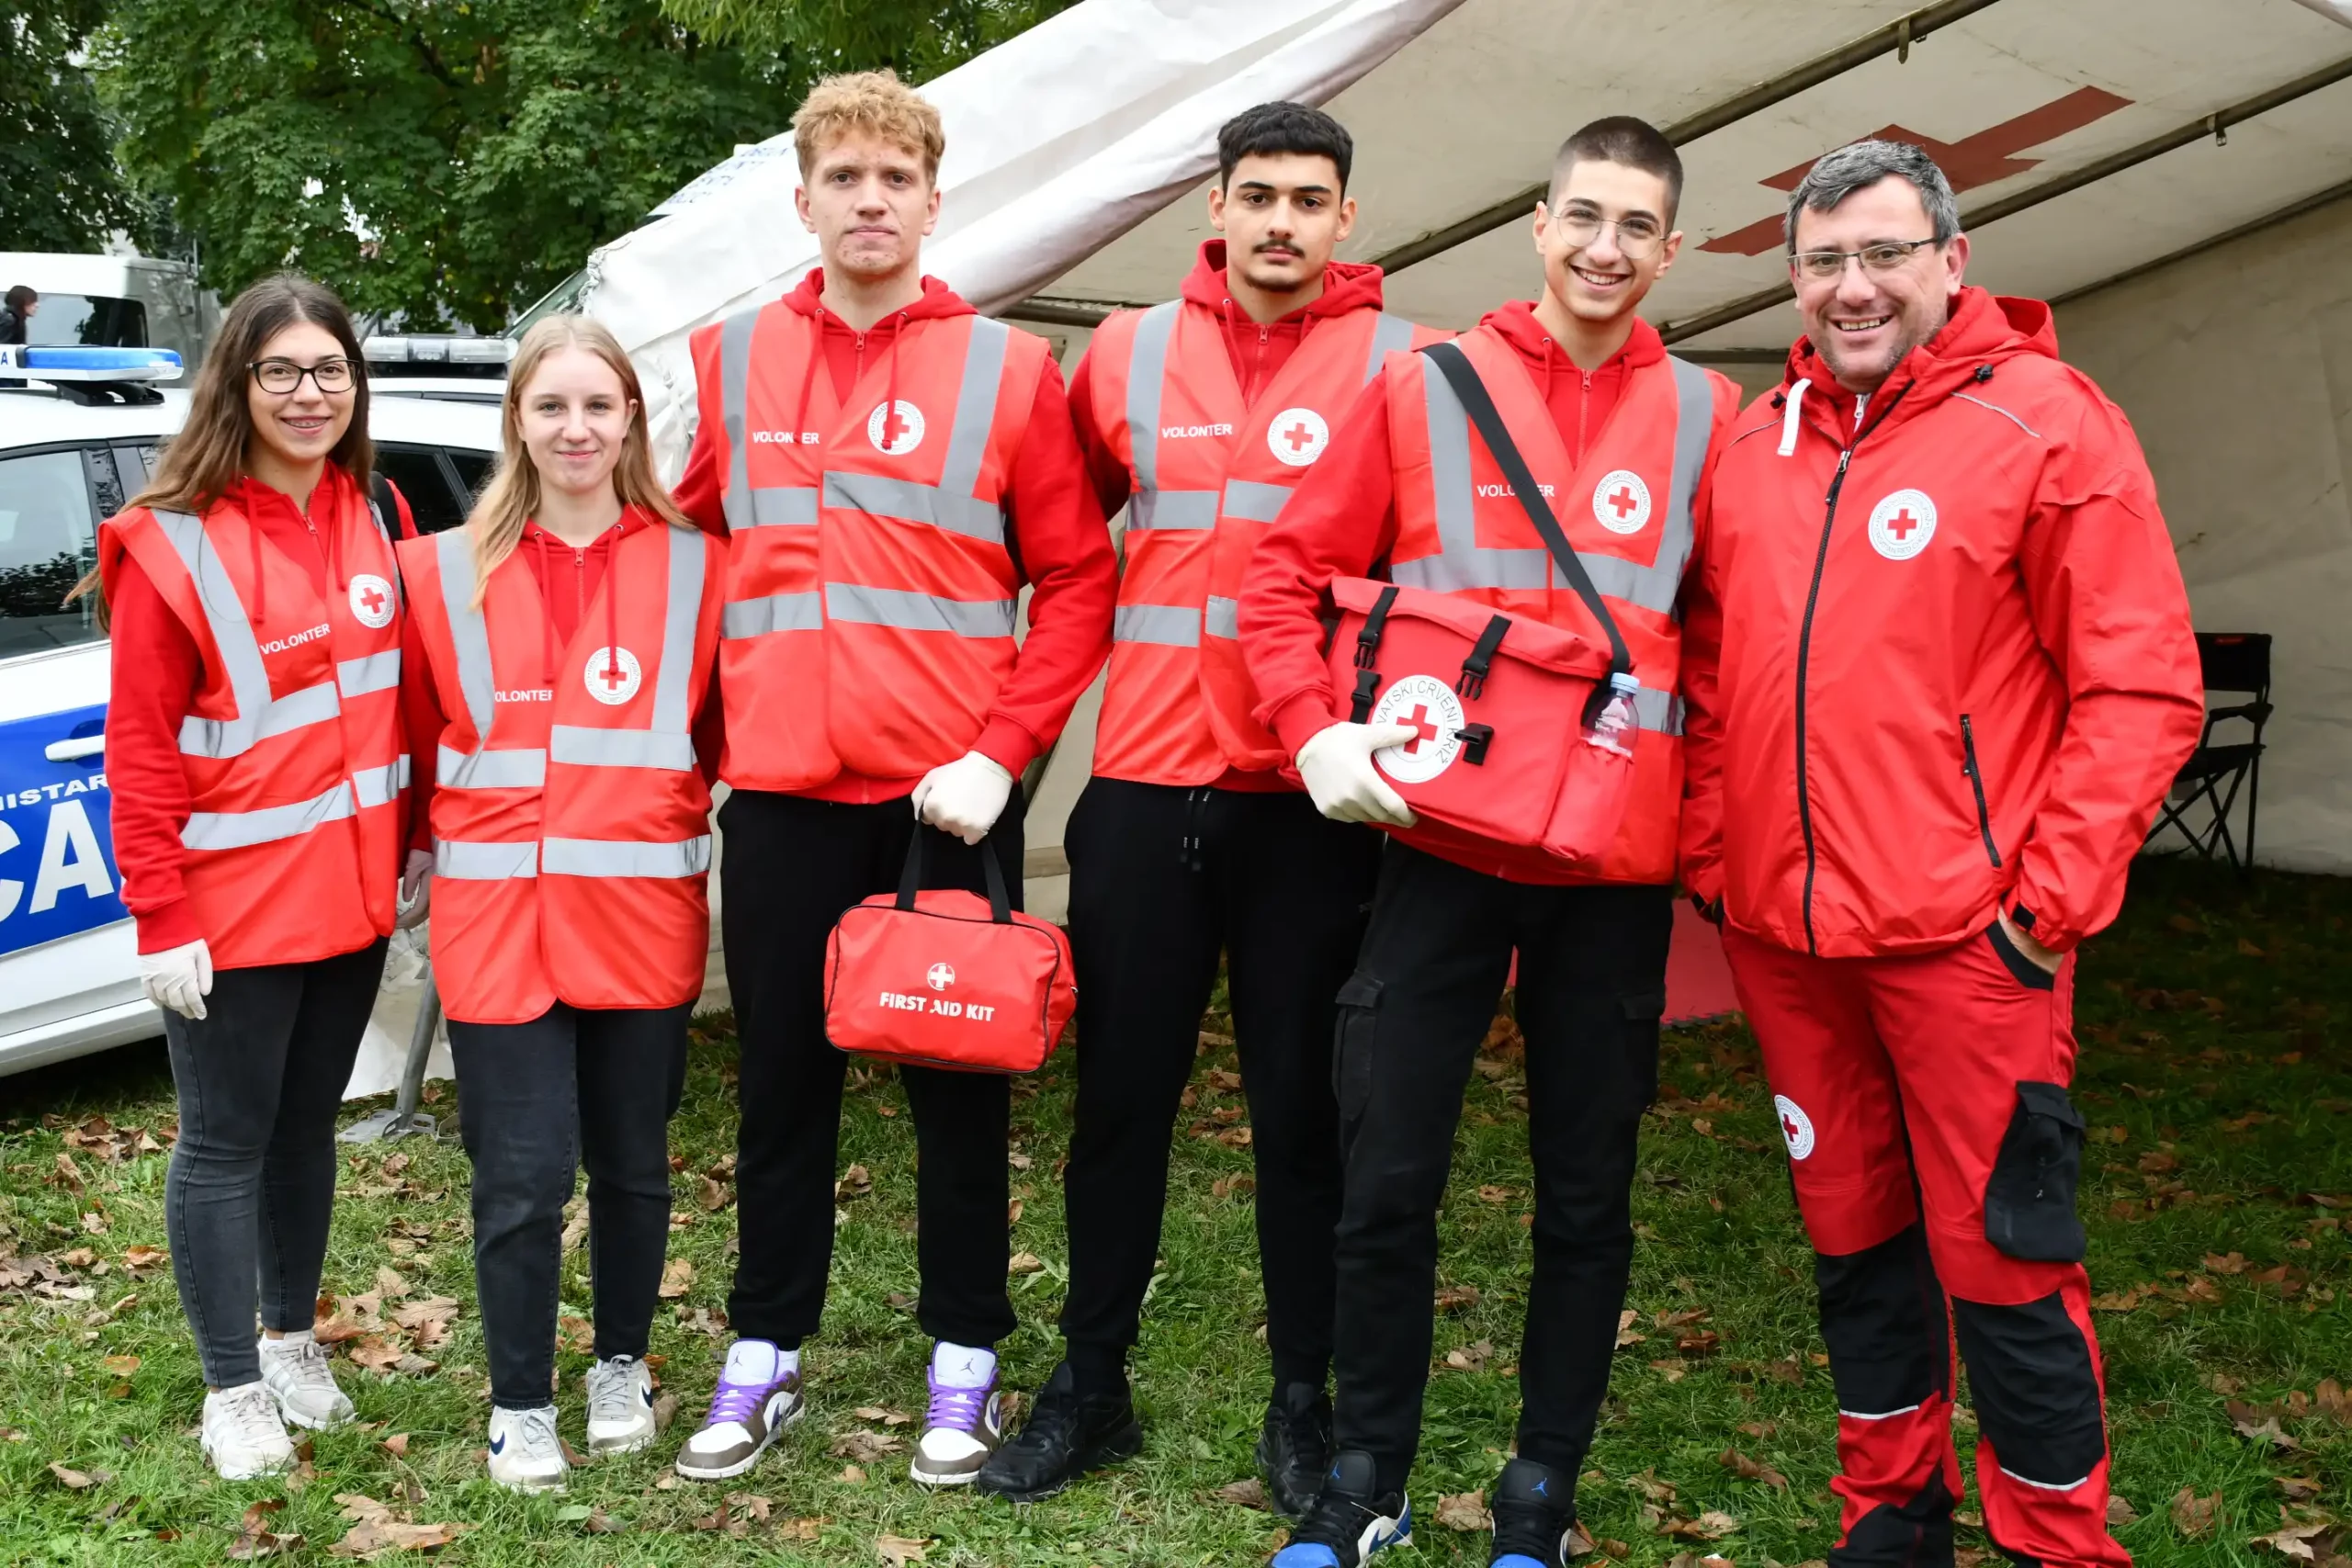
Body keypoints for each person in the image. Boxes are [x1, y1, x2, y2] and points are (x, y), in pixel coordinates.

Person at [1679, 140, 2201, 1568]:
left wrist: (2045, 909)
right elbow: (1713, 668)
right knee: (1853, 1241)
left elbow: (2142, 685)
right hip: (1787, 944)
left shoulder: (2046, 422)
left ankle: (2053, 1542)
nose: (1857, 287)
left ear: (1951, 262)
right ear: (1794, 276)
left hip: (1973, 946)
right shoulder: (1751, 441)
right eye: (1828, 260)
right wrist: (1721, 860)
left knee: (2008, 1262)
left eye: (1887, 255)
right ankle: (1893, 1512)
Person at [1238, 118, 1740, 1567]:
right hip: (1438, 849)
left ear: (1672, 248)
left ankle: (1540, 1490)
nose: (1604, 248)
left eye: (1636, 225)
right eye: (1583, 215)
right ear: (1538, 221)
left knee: (1588, 1192)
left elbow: (1733, 658)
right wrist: (1311, 732)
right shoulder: (1423, 387)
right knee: (1387, 1173)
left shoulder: (1710, 417)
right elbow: (1280, 579)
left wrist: (1697, 833)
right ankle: (1368, 1476)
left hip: (1613, 876)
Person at [974, 101, 1442, 1512]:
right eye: (1259, 195)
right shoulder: (1121, 353)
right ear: (1219, 207)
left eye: (1311, 198)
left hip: (1314, 801)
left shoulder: (1412, 363)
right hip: (1140, 790)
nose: (1283, 221)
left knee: (1306, 1115)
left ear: (1347, 217)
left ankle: (1302, 1403)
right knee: (1119, 1105)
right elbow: (1060, 543)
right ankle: (1090, 1383)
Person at [666, 70, 1117, 1489]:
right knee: (782, 1085)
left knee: (956, 1086)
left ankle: (964, 1357)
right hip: (786, 795)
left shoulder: (1007, 368)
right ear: (802, 199)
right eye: (844, 178)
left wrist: (1003, 752)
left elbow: (1080, 576)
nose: (871, 201)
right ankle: (765, 1349)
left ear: (934, 199)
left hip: (948, 802)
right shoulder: (729, 359)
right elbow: (686, 560)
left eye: (895, 179)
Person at [86, 274, 413, 1480]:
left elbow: (396, 704)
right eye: (281, 369)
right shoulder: (172, 537)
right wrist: (158, 911)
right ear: (238, 380)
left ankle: (290, 1339)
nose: (308, 391)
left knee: (303, 1134)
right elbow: (141, 747)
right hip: (228, 912)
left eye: (329, 368)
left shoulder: (373, 509)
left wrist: (416, 836)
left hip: (354, 895)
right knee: (224, 1143)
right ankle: (230, 1384)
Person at [395, 315, 728, 1492]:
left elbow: (727, 735)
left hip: (642, 922)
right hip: (499, 933)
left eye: (598, 405)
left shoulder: (701, 564)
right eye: (551, 407)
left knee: (635, 1166)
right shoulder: (435, 569)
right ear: (516, 423)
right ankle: (521, 1401)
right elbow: (403, 740)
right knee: (520, 1178)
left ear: (630, 417)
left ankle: (621, 1363)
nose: (575, 428)